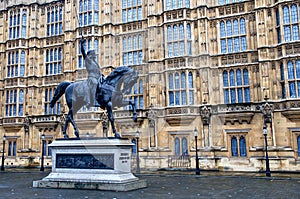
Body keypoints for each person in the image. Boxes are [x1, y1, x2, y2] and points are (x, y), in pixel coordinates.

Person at [80, 37, 103, 108]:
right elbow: (83, 53)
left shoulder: (95, 63)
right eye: (94, 54)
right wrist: (82, 44)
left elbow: (98, 71)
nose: (95, 55)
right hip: (92, 78)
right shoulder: (88, 60)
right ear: (90, 55)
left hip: (98, 77)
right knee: (95, 83)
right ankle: (93, 101)